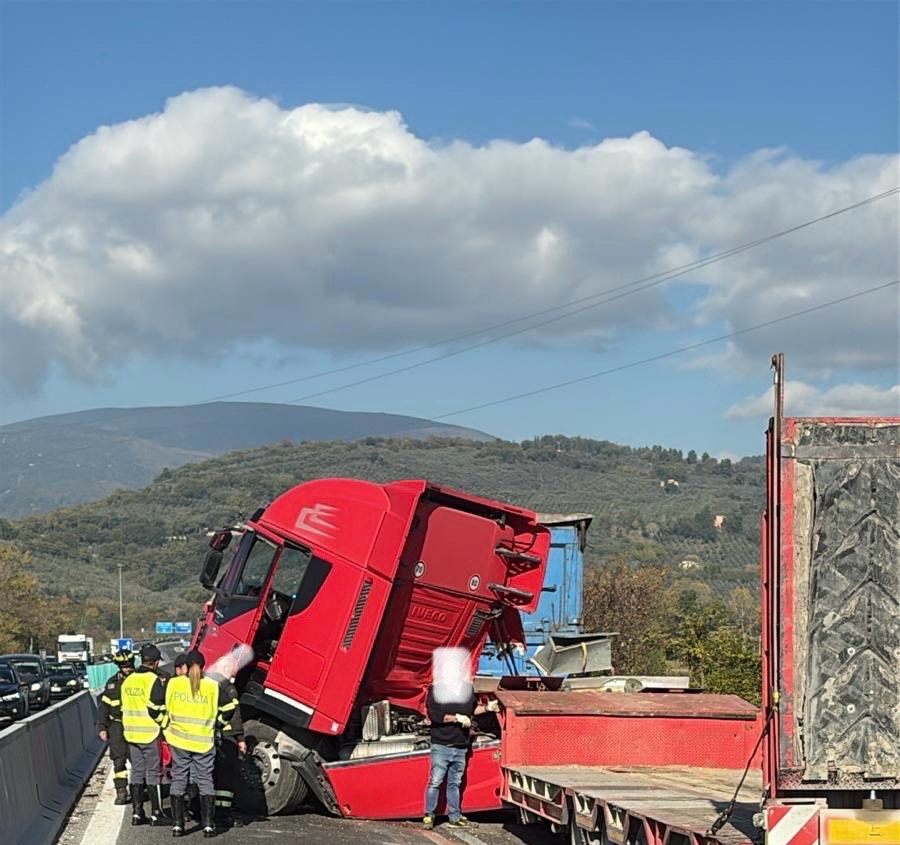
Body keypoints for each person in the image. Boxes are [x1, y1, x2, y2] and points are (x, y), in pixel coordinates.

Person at [153, 650, 239, 838]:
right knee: (205, 780)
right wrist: (218, 725)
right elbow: (230, 707)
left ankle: (178, 825)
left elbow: (153, 705)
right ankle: (208, 825)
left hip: (178, 739)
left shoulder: (173, 683)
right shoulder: (212, 686)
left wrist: (163, 722)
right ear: (203, 666)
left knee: (179, 778)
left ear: (185, 666)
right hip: (203, 742)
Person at [422, 650, 499, 830]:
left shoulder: (466, 689)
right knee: (436, 781)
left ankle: (455, 816)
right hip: (441, 744)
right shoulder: (436, 690)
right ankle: (429, 815)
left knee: (455, 783)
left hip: (461, 745)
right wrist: (456, 717)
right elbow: (434, 715)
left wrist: (487, 707)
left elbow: (472, 710)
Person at [121, 643, 170, 826]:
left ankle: (137, 813)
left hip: (131, 734)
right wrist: (165, 726)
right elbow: (156, 708)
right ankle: (157, 813)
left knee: (136, 773)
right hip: (149, 733)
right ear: (156, 663)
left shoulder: (129, 680)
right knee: (153, 773)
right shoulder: (153, 680)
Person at [97, 649, 135, 805]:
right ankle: (121, 791)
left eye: (129, 665)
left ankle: (141, 788)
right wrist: (102, 727)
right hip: (117, 725)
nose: (127, 668)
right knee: (119, 760)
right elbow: (104, 707)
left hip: (135, 725)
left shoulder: (139, 681)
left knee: (138, 760)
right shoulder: (112, 684)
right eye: (123, 666)